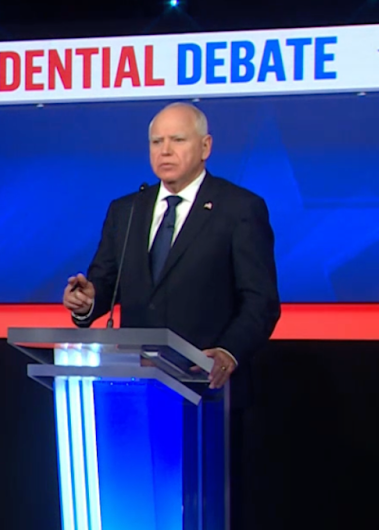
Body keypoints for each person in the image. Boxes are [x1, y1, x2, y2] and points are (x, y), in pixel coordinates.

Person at [62, 101, 280, 407]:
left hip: (206, 387)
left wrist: (228, 351)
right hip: (133, 384)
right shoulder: (126, 210)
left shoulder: (239, 209)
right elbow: (105, 283)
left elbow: (261, 301)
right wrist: (86, 302)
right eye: (156, 142)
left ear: (205, 147)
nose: (165, 150)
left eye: (177, 140)